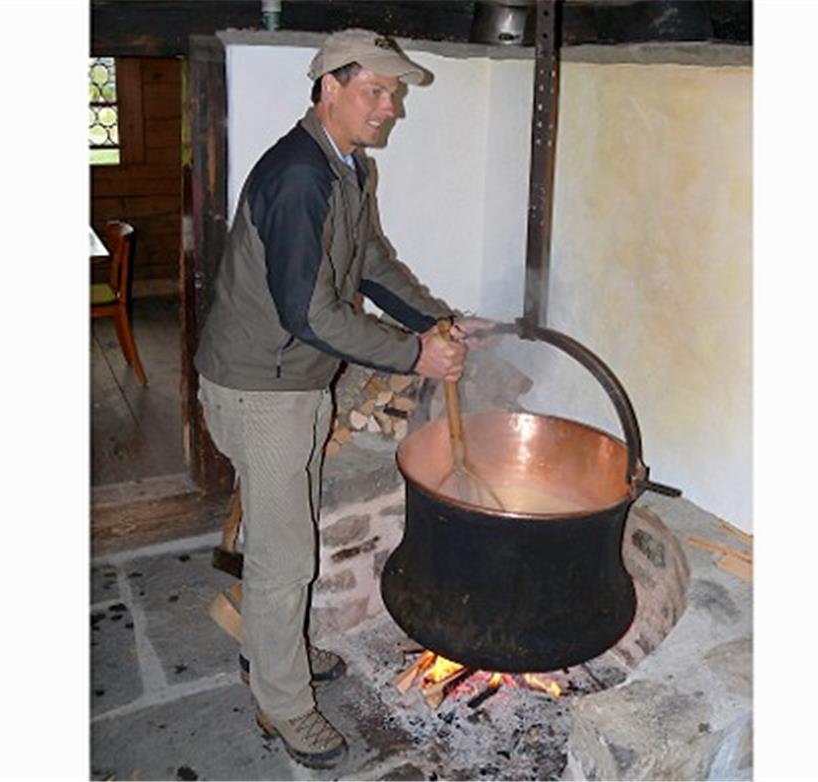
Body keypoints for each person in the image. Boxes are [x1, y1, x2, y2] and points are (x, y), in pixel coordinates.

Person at [194, 28, 490, 770]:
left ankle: (276, 650)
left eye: (394, 94)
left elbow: (372, 263)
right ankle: (283, 703)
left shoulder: (347, 168)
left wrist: (435, 317)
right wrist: (416, 353)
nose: (389, 107)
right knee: (285, 555)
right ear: (328, 86)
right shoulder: (300, 176)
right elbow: (310, 313)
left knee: (281, 538)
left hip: (293, 384)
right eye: (375, 90)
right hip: (260, 390)